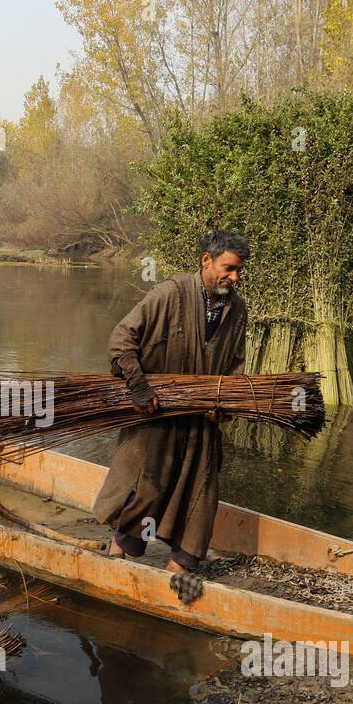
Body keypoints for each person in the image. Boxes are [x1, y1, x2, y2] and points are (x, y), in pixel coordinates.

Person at [92, 230, 249, 603]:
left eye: (240, 271)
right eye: (229, 268)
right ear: (206, 261)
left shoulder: (236, 310)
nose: (235, 278)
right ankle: (121, 561)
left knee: (201, 495)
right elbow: (121, 340)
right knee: (147, 491)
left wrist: (222, 404)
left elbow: (237, 367)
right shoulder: (169, 294)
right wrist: (139, 387)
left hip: (201, 421)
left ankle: (177, 574)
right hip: (156, 416)